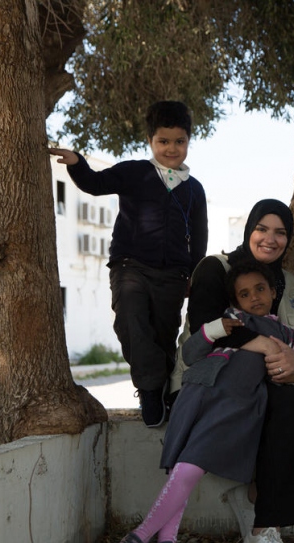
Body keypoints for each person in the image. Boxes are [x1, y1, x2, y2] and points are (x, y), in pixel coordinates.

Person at [184, 199, 294, 543]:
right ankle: (264, 525)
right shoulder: (215, 268)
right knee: (293, 406)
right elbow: (206, 328)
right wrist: (262, 343)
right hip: (220, 378)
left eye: (280, 232)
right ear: (249, 230)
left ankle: (264, 497)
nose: (270, 239)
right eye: (262, 229)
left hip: (273, 380)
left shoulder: (290, 287)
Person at [50, 100, 208, 428]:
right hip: (130, 267)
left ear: (189, 142)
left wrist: (194, 274)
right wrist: (77, 163)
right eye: (163, 141)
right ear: (150, 141)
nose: (171, 148)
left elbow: (200, 236)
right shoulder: (134, 172)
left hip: (174, 275)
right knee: (131, 323)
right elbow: (94, 184)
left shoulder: (194, 190)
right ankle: (149, 389)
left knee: (164, 334)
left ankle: (163, 387)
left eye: (180, 141)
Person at [119, 261, 294, 543]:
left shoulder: (288, 335)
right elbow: (191, 354)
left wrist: (287, 370)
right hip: (198, 393)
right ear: (234, 300)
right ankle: (166, 538)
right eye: (244, 293)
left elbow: (284, 373)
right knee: (183, 467)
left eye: (261, 289)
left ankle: (142, 534)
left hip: (236, 404)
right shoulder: (230, 320)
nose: (254, 297)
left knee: (190, 466)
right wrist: (214, 329)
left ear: (274, 292)